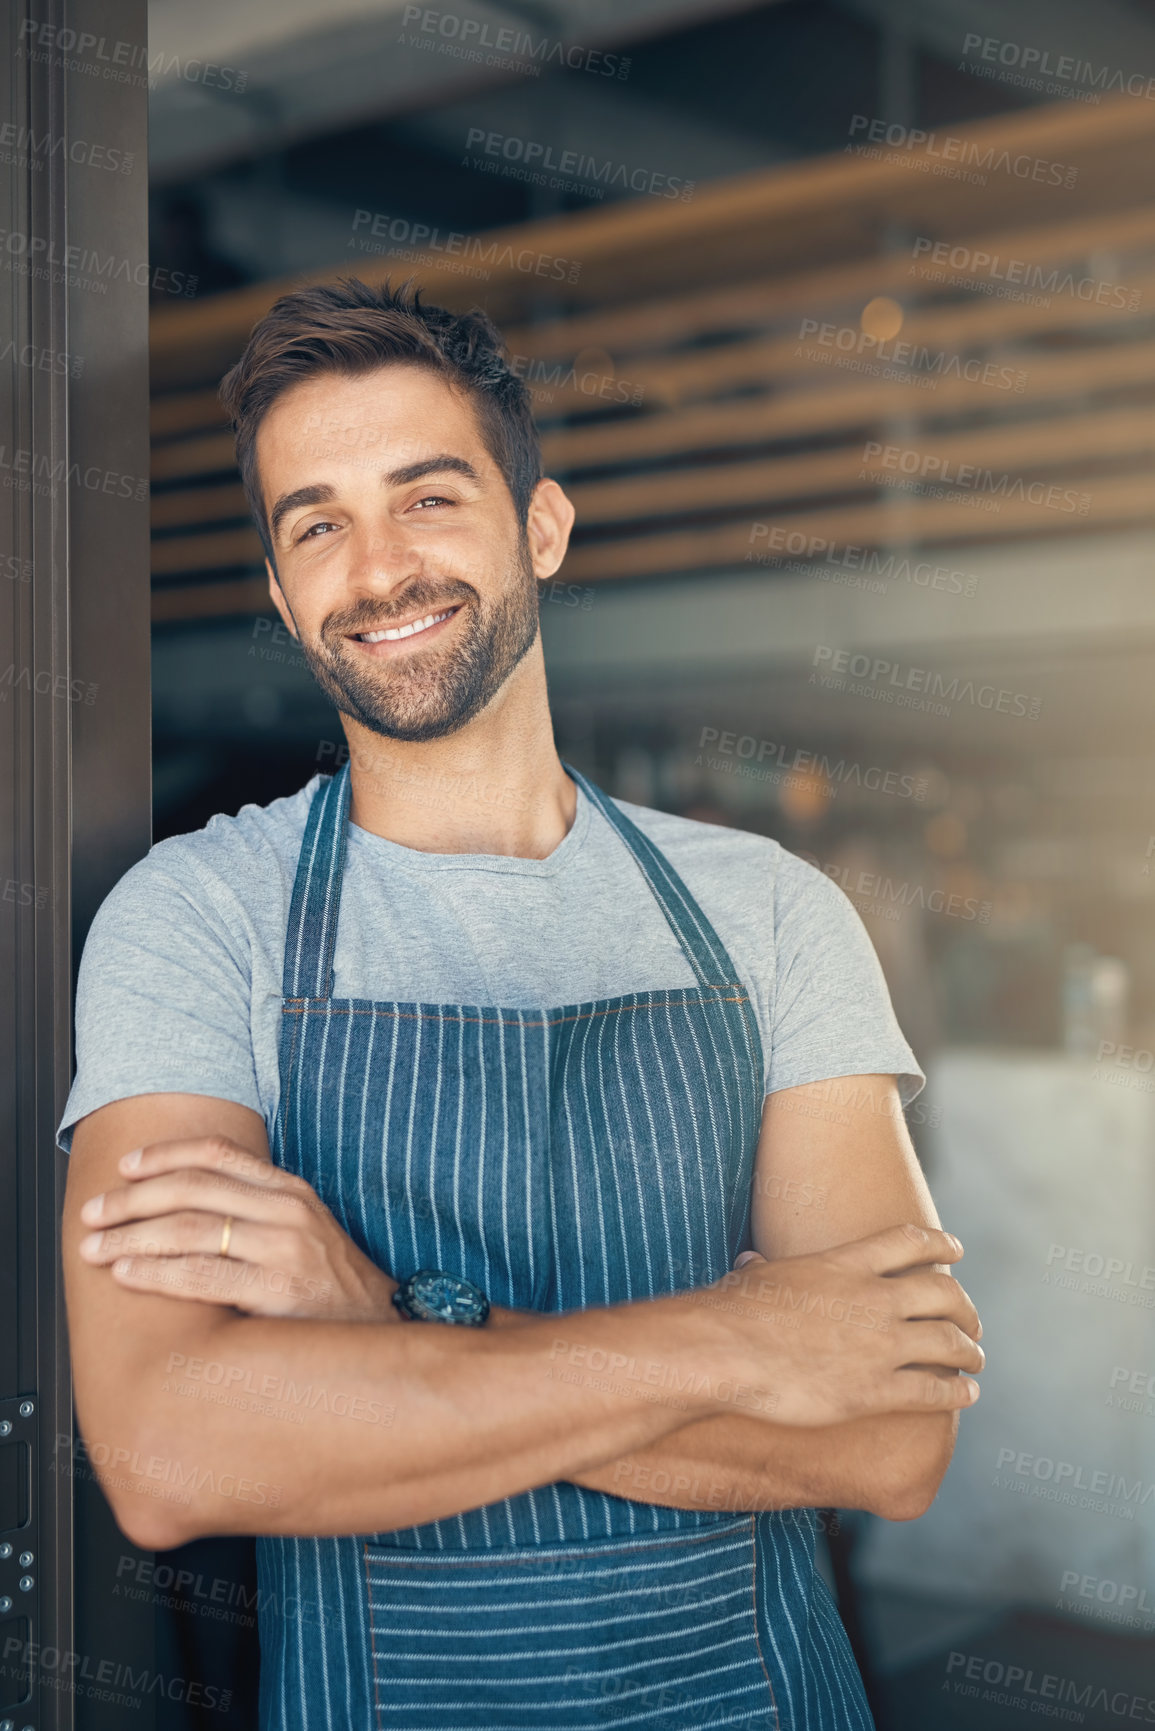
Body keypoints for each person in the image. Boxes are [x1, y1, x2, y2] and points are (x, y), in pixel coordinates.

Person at [59, 278, 983, 1731]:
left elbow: (890, 1439)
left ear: (539, 526)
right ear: (281, 581)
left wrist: (385, 1327)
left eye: (427, 499)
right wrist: (749, 1346)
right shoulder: (193, 919)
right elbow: (175, 1454)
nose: (376, 570)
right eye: (316, 523)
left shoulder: (773, 913)